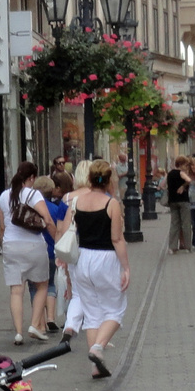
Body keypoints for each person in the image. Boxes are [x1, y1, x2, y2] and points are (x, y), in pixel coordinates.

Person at [61, 160, 129, 378]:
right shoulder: (111, 204)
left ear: (89, 179)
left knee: (91, 314)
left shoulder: (77, 201)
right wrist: (126, 267)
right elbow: (117, 239)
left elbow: (67, 230)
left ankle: (95, 367)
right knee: (115, 309)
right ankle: (98, 347)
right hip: (106, 259)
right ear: (109, 180)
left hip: (82, 259)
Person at [0, 162, 55, 345]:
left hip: (11, 246)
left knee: (16, 290)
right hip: (33, 246)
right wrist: (58, 241)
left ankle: (19, 333)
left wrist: (2, 246)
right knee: (42, 285)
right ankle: (35, 325)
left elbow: (2, 226)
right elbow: (47, 219)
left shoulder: (4, 196)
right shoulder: (34, 194)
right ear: (31, 178)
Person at [33, 174, 68, 334]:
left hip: (36, 251)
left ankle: (39, 320)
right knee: (51, 284)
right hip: (52, 251)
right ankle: (51, 317)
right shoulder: (56, 208)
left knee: (36, 286)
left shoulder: (33, 208)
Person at [165, 156, 192, 253]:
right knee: (186, 224)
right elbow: (189, 180)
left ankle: (172, 247)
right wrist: (183, 186)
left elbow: (164, 185)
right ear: (181, 164)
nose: (186, 167)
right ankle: (188, 246)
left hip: (172, 201)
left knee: (174, 224)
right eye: (186, 165)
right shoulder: (181, 173)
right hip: (183, 200)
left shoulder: (170, 173)